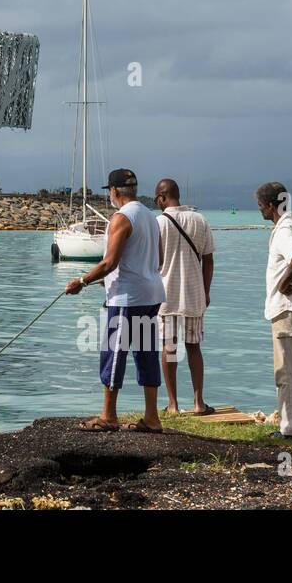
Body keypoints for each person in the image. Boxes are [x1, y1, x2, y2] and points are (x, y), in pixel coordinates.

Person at [65, 168, 166, 432]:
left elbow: (109, 262)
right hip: (151, 294)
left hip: (126, 299)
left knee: (114, 352)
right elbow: (158, 260)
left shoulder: (121, 218)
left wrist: (82, 281)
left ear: (114, 191)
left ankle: (109, 416)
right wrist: (107, 279)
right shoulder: (150, 216)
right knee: (146, 353)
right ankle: (152, 418)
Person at [255, 181, 292, 438]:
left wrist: (283, 284)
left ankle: (291, 430)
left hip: (285, 312)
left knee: (287, 373)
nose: (259, 210)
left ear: (271, 206)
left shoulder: (284, 231)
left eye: (260, 205)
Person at [154, 178, 215, 415]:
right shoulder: (200, 220)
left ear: (161, 196)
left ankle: (173, 404)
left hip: (165, 296)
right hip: (194, 294)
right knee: (194, 347)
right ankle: (199, 403)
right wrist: (206, 290)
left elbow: (153, 262)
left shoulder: (158, 223)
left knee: (169, 349)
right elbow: (209, 259)